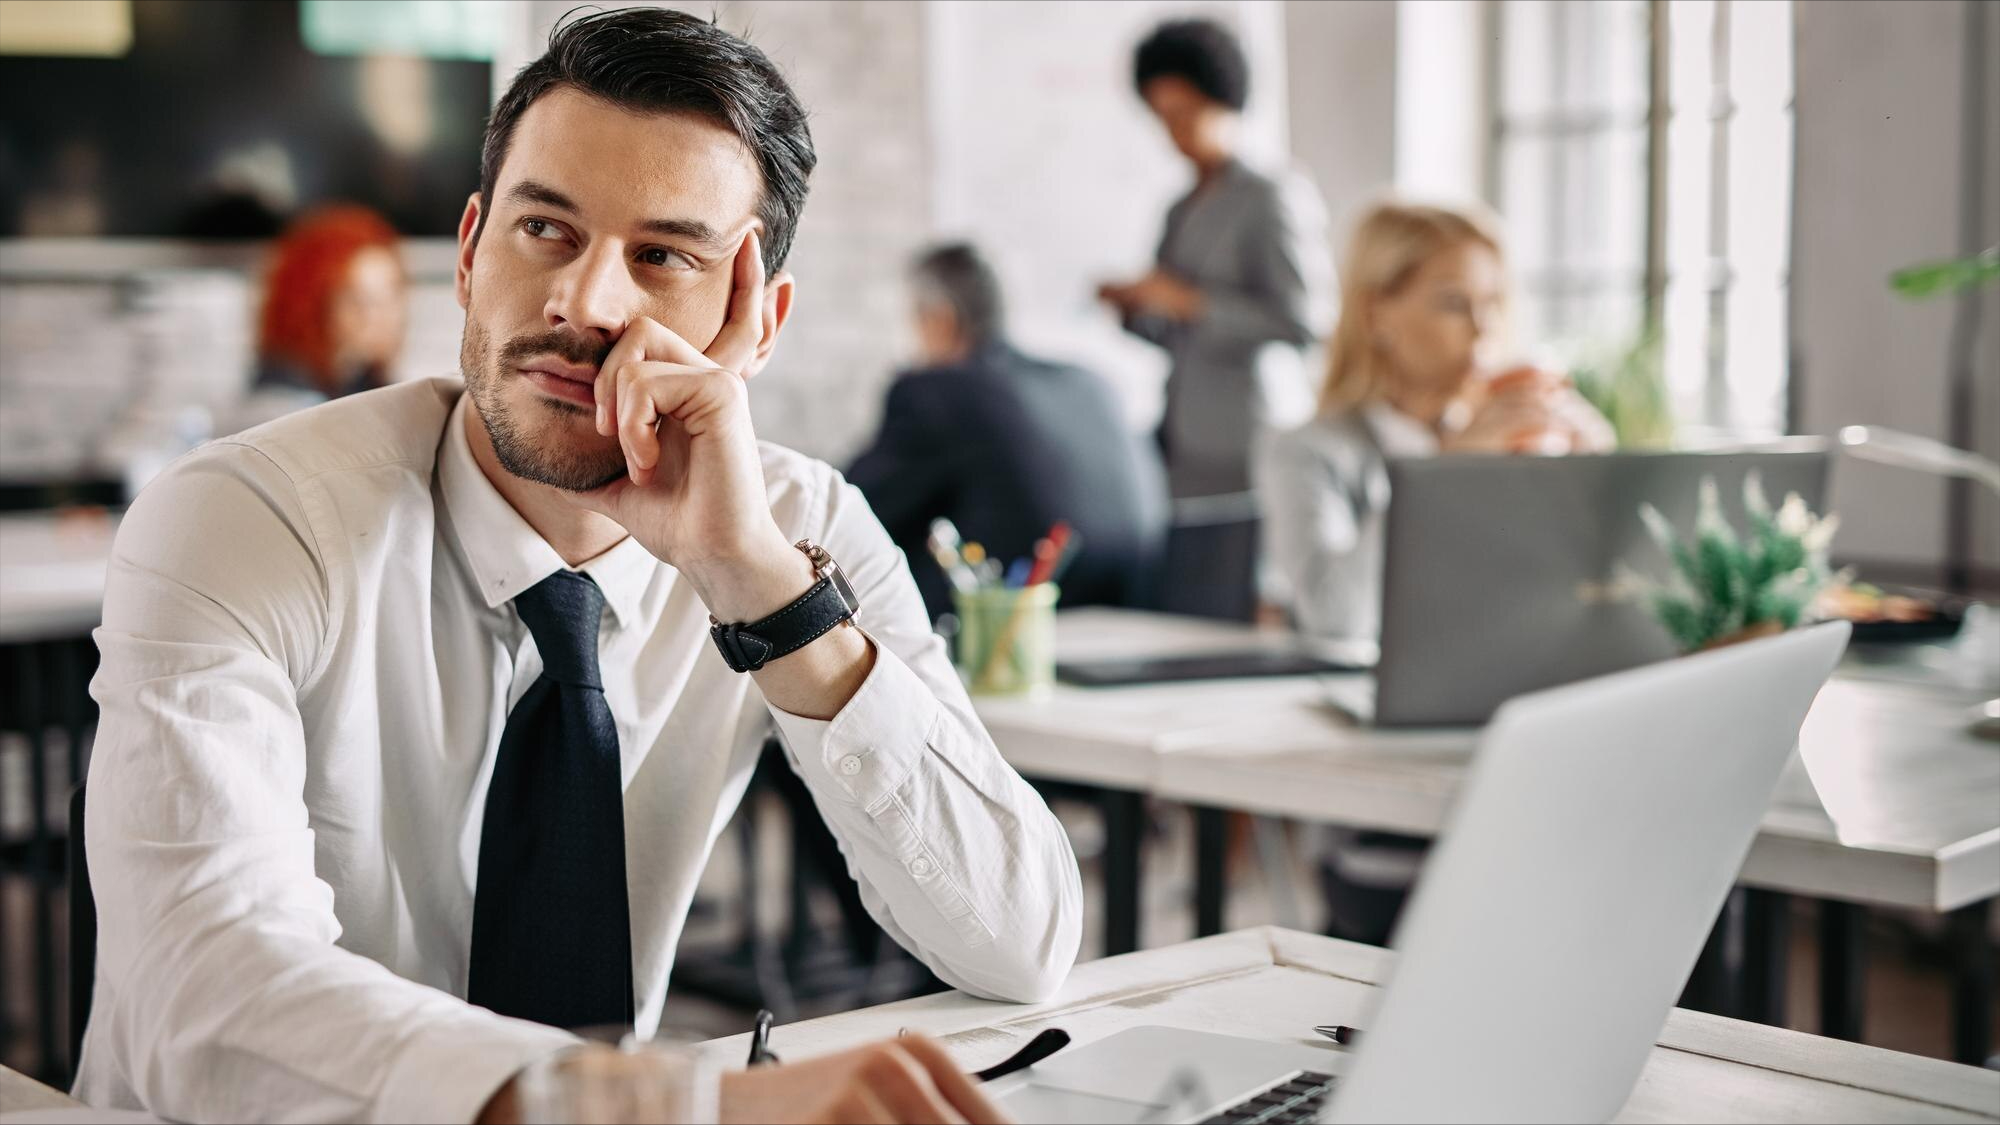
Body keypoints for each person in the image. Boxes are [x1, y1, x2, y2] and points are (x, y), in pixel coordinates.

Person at [76, 11, 1078, 1124]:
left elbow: (1020, 943)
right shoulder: (245, 516)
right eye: (545, 231)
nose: (586, 304)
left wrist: (762, 589)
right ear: (467, 254)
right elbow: (201, 995)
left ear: (757, 323)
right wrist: (657, 1107)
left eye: (662, 257)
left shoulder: (795, 525)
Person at [1258, 200, 1614, 646]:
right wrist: (1443, 476)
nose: (1483, 328)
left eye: (1492, 302)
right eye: (1453, 303)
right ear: (1376, 314)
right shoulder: (1309, 450)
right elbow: (1336, 619)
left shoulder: (1510, 441)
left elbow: (1571, 604)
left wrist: (1597, 475)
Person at [1096, 17, 1333, 618]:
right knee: (1188, 603)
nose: (1173, 133)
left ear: (1223, 100)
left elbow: (1306, 321)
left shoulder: (1272, 194)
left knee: (1236, 605)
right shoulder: (1180, 207)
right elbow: (1170, 329)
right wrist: (1138, 308)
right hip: (1184, 444)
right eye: (1162, 116)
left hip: (1248, 446)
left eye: (1185, 113)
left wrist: (1190, 301)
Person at [848, 243, 1169, 618]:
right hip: (1137, 611)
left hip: (1002, 630)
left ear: (940, 320)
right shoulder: (1090, 383)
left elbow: (852, 510)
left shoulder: (937, 391)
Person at [231, 204, 409, 431]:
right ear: (313, 305)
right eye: (360, 300)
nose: (387, 317)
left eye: (393, 294)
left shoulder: (366, 382)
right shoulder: (279, 407)